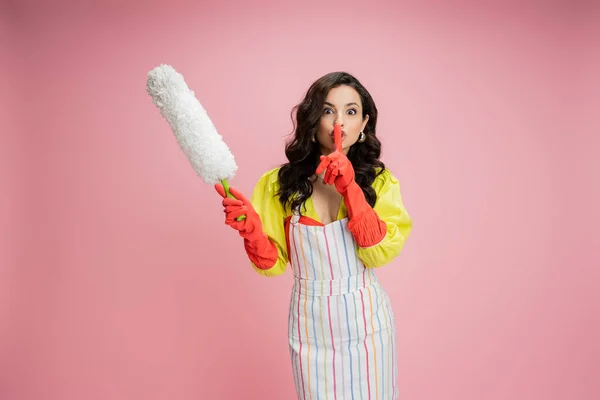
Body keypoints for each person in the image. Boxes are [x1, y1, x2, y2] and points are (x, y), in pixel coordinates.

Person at [215, 71, 412, 399]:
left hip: (367, 325)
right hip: (311, 326)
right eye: (328, 110)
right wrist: (252, 233)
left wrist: (351, 189)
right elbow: (274, 264)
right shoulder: (277, 184)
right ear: (313, 118)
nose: (340, 121)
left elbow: (380, 252)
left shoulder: (379, 182)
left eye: (351, 111)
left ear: (364, 124)